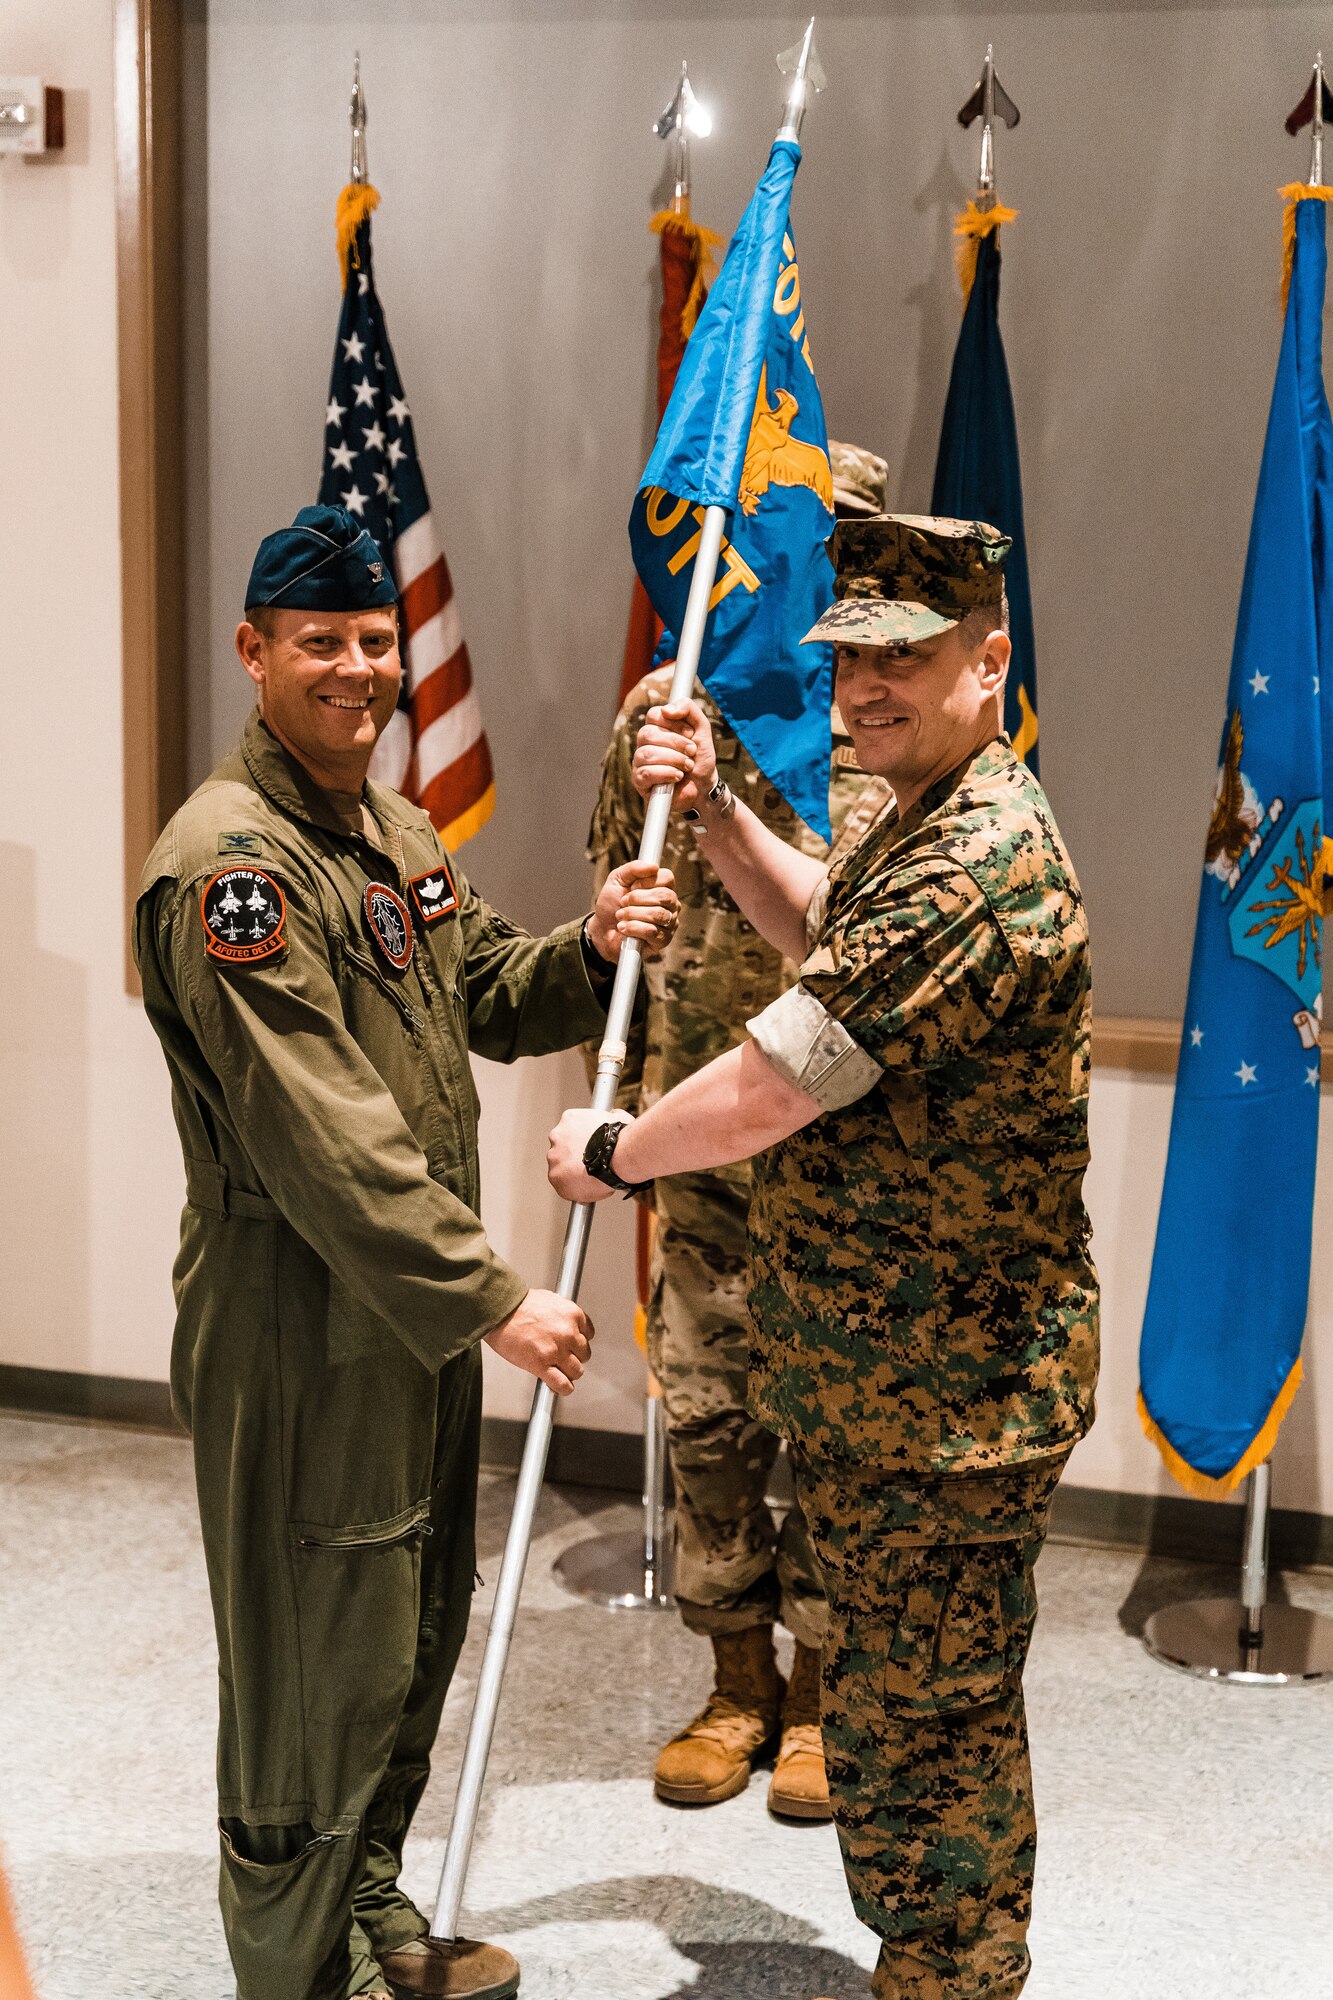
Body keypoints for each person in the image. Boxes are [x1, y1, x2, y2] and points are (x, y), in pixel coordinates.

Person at [549, 513, 1099, 2000]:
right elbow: (820, 939)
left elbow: (788, 1075)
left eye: (904, 663)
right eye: (850, 661)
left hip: (949, 1397)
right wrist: (722, 815)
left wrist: (614, 1152)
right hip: (883, 1384)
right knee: (896, 1718)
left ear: (988, 662)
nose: (863, 694)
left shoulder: (975, 856)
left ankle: (952, 1975)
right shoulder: (903, 813)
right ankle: (925, 1960)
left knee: (934, 1730)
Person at [135, 506, 677, 2000]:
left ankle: (366, 1913)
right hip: (298, 1318)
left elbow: (477, 992)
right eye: (322, 641)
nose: (359, 666)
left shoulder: (389, 831)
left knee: (405, 1623)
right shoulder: (229, 872)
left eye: (376, 640)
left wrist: (586, 946)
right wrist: (495, 1296)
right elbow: (320, 1134)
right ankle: (294, 1968)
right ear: (254, 652)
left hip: (402, 1317)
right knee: (315, 1647)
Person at [588, 440, 891, 1822]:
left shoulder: (895, 721)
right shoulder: (671, 703)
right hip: (696, 1123)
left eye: (831, 544)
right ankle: (732, 1684)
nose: (801, 568)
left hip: (840, 1138)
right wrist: (615, 915)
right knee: (706, 1418)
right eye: (780, 537)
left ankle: (826, 1693)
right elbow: (615, 883)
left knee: (831, 1425)